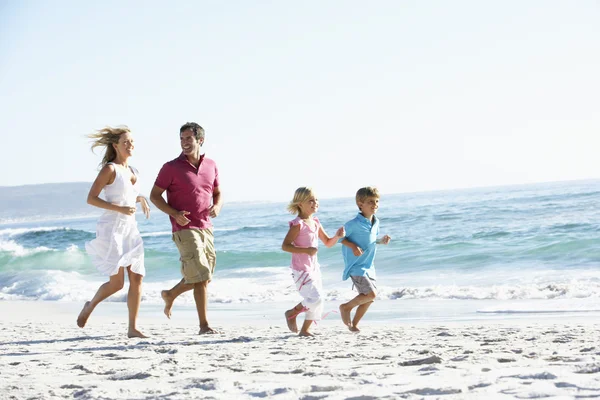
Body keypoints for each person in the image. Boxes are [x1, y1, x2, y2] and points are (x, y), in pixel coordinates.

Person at [77, 126, 151, 338]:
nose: (130, 145)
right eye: (125, 142)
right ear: (115, 145)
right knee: (117, 284)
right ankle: (90, 305)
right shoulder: (110, 169)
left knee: (137, 277)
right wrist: (119, 208)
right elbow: (91, 198)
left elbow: (127, 194)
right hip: (113, 229)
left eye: (132, 141)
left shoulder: (133, 171)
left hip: (131, 229)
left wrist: (140, 198)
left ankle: (132, 328)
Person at [150, 122, 222, 335]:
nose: (184, 143)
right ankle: (204, 325)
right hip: (184, 227)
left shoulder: (211, 165)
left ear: (200, 140)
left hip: (206, 226)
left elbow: (217, 192)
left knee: (205, 276)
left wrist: (217, 205)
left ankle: (171, 294)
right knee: (200, 275)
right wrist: (174, 213)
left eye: (188, 139)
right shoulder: (170, 167)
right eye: (182, 139)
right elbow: (154, 196)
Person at [282, 187, 345, 336]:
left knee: (318, 300)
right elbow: (285, 246)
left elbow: (328, 242)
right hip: (300, 269)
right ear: (300, 204)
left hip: (314, 268)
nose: (315, 203)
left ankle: (305, 330)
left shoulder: (315, 222)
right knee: (315, 298)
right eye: (310, 200)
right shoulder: (298, 224)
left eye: (316, 200)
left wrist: (337, 236)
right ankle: (292, 312)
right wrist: (306, 250)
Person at [338, 187, 391, 332]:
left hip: (369, 266)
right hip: (356, 266)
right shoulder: (353, 224)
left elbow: (370, 240)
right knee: (370, 294)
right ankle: (346, 307)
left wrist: (381, 241)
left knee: (369, 298)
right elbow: (340, 238)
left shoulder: (376, 222)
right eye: (370, 202)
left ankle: (354, 324)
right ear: (360, 204)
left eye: (376, 201)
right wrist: (353, 246)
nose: (375, 205)